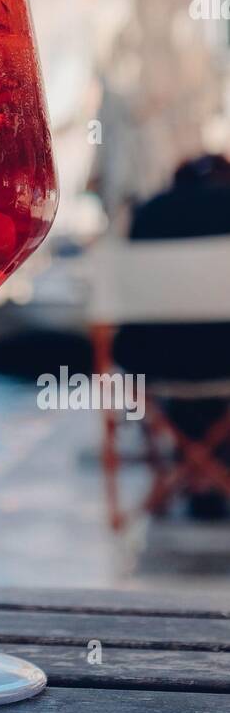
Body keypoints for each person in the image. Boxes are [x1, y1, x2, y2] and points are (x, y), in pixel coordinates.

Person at [113, 154, 230, 520]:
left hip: (157, 361)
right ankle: (207, 469)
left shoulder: (149, 213)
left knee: (176, 352)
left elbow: (127, 298)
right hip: (224, 357)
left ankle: (190, 469)